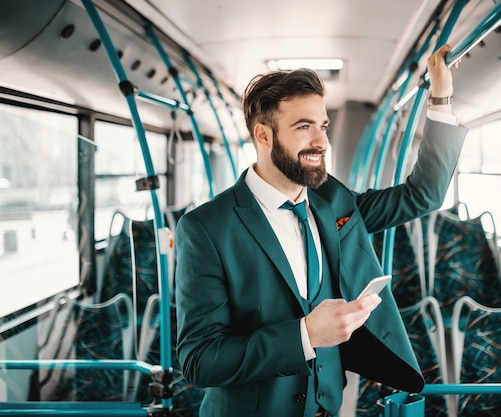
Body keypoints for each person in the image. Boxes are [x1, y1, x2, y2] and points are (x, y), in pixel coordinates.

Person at [175, 44, 467, 417]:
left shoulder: (333, 202)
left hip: (329, 406)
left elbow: (421, 195)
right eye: (303, 127)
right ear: (263, 136)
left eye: (323, 126)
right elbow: (200, 361)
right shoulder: (206, 228)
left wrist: (440, 95)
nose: (322, 142)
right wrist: (306, 335)